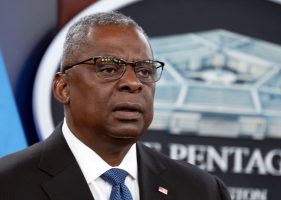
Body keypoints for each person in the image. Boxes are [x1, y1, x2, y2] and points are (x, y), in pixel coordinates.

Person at [0, 12, 231, 200]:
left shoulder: (203, 191)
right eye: (109, 69)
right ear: (63, 88)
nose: (133, 83)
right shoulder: (8, 184)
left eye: (144, 71)